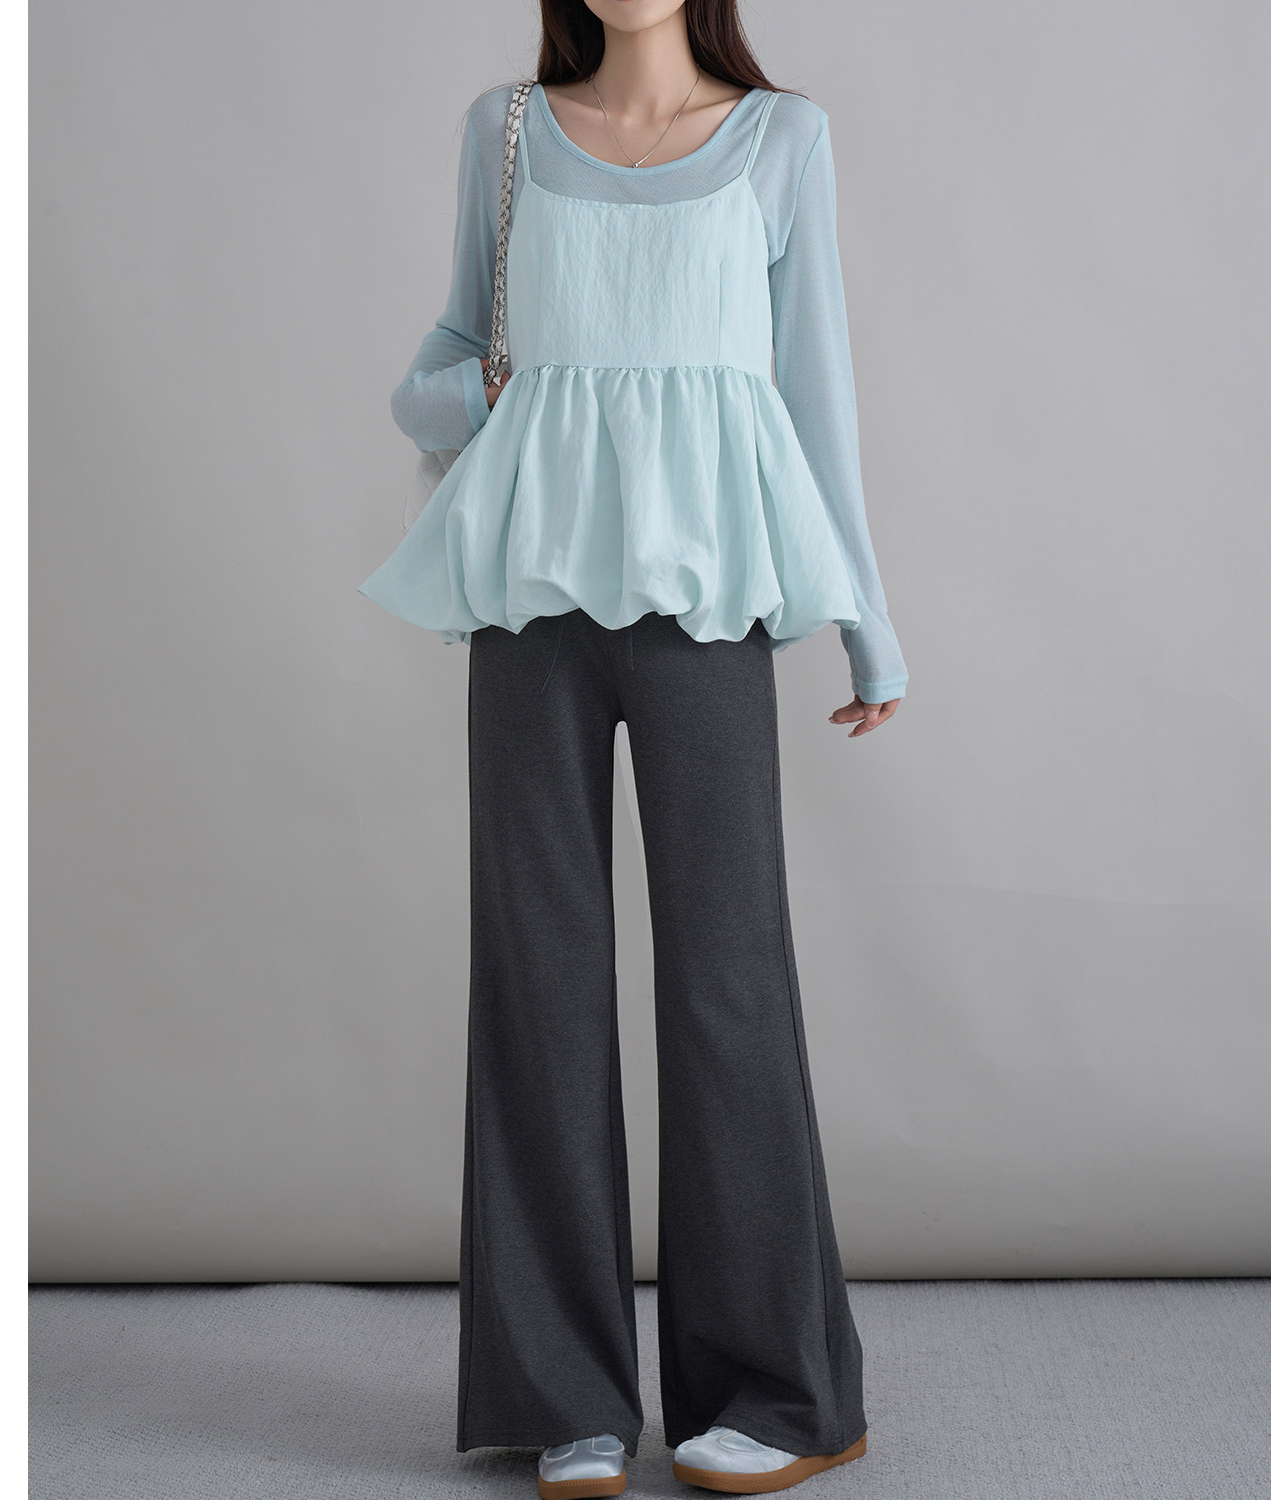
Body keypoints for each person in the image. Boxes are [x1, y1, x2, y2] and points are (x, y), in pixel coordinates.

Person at [358, 1, 906, 1493]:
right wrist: (490, 386)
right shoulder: (507, 130)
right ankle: (566, 1396)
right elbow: (441, 363)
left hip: (705, 602)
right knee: (537, 981)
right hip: (531, 594)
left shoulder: (784, 140)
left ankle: (784, 1394)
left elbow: (816, 397)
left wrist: (869, 625)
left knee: (729, 978)